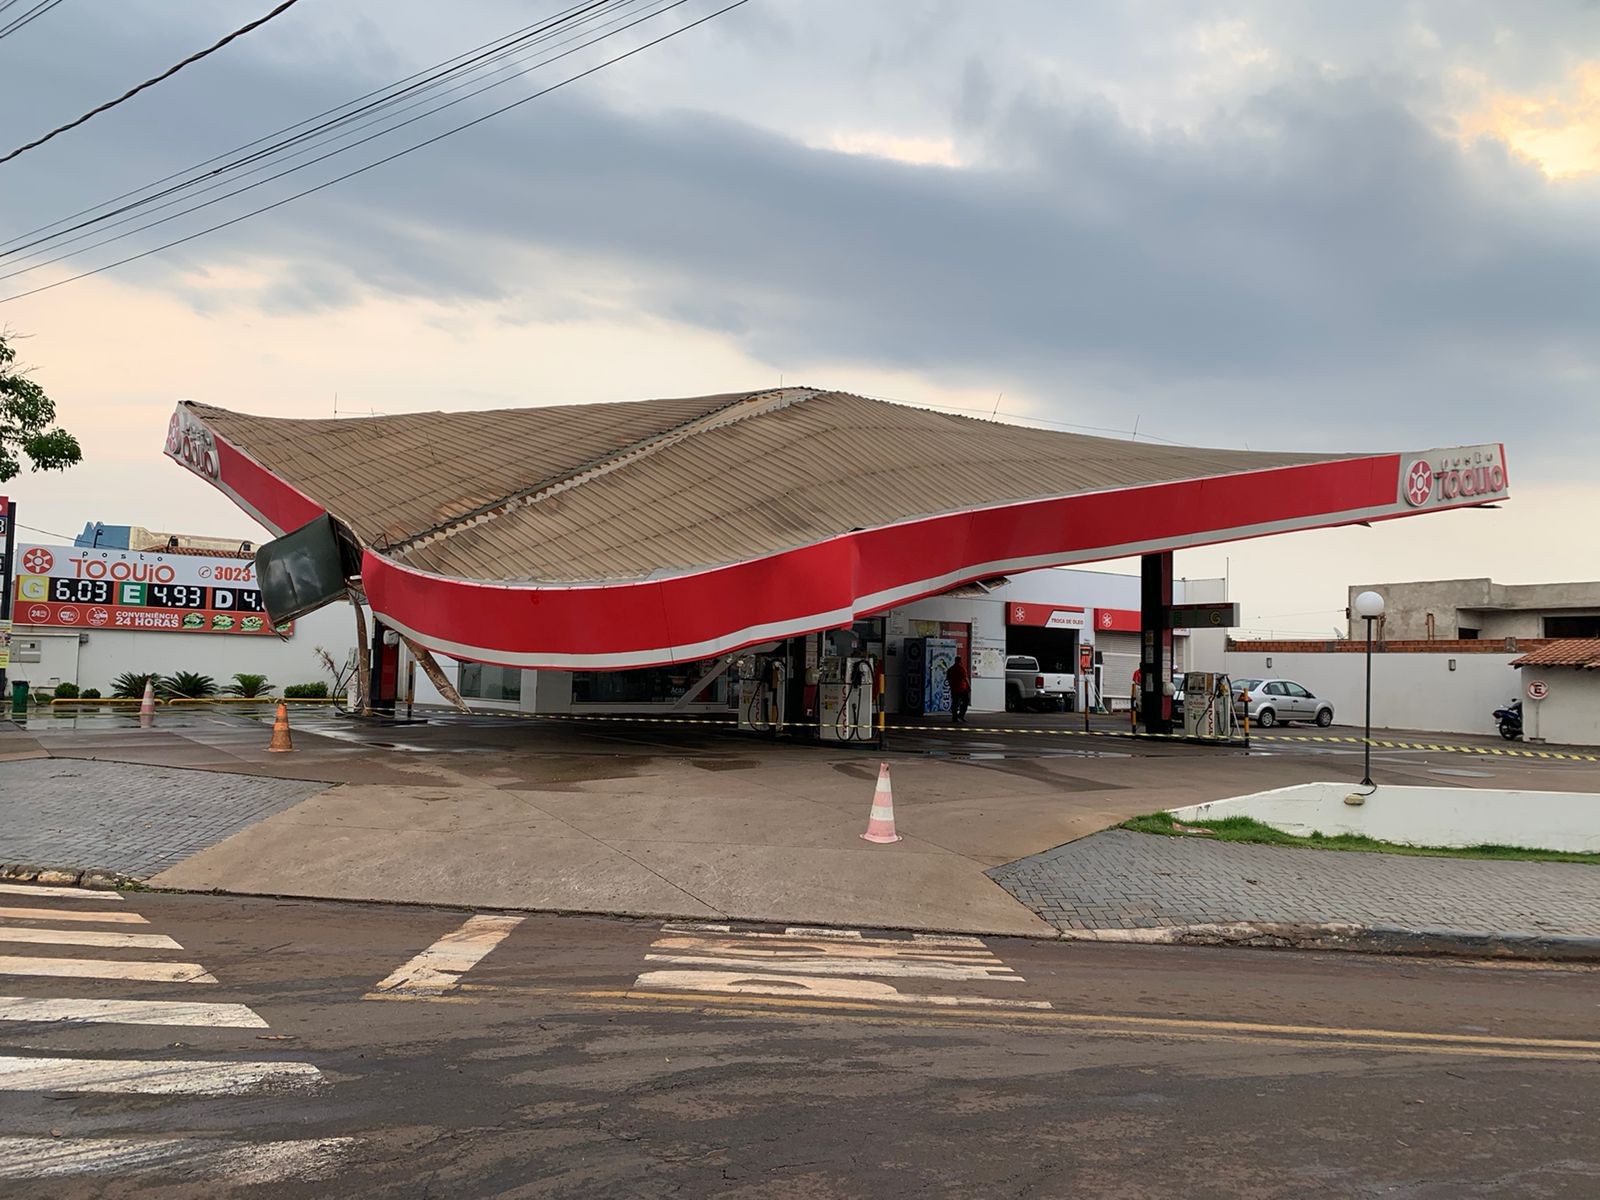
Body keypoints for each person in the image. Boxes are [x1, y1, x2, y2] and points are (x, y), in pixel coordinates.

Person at [946, 655, 971, 724]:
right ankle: (961, 715)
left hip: (954, 688)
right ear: (960, 661)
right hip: (962, 688)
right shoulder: (962, 669)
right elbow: (965, 678)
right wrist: (969, 686)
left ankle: (954, 718)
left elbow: (948, 678)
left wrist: (951, 686)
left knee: (955, 703)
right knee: (965, 702)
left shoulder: (951, 669)